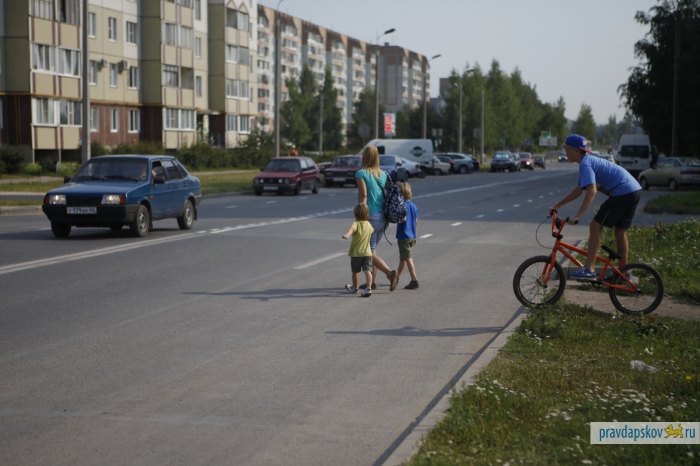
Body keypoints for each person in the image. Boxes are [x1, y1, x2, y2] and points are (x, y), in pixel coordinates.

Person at [548, 134, 642, 280]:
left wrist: (578, 215)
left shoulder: (586, 164)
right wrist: (558, 204)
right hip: (634, 190)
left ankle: (589, 269)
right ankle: (624, 274)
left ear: (577, 151)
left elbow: (592, 190)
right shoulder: (587, 162)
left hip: (623, 191)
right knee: (619, 231)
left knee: (594, 226)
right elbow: (579, 190)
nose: (566, 155)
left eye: (568, 151)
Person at [355, 145, 398, 291]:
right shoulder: (383, 174)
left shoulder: (361, 173)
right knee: (372, 251)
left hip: (370, 217)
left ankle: (390, 274)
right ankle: (371, 282)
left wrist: (360, 217)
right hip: (383, 218)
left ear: (364, 157)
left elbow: (363, 195)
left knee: (368, 252)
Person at [342, 204, 374, 297]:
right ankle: (368, 288)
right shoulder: (368, 224)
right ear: (367, 214)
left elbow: (351, 229)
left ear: (355, 214)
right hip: (367, 253)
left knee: (355, 272)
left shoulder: (355, 223)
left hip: (357, 253)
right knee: (368, 271)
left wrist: (347, 235)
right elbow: (372, 230)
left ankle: (355, 288)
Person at [395, 182, 419, 289]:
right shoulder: (413, 206)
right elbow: (416, 222)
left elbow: (403, 218)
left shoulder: (402, 206)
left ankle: (414, 280)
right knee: (403, 258)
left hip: (403, 236)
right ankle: (395, 277)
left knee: (408, 258)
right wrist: (415, 236)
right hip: (411, 236)